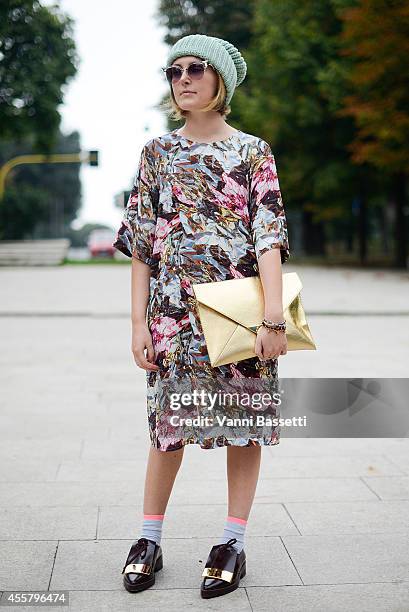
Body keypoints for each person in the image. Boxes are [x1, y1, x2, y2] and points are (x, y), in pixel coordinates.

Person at [113, 33, 290, 599]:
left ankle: (231, 543)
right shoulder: (156, 154)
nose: (183, 78)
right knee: (168, 429)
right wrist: (138, 323)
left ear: (221, 81)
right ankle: (148, 539)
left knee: (243, 426)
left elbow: (268, 240)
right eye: (174, 70)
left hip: (238, 316)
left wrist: (273, 318)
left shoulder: (252, 152)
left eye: (196, 69)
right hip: (172, 317)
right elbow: (142, 244)